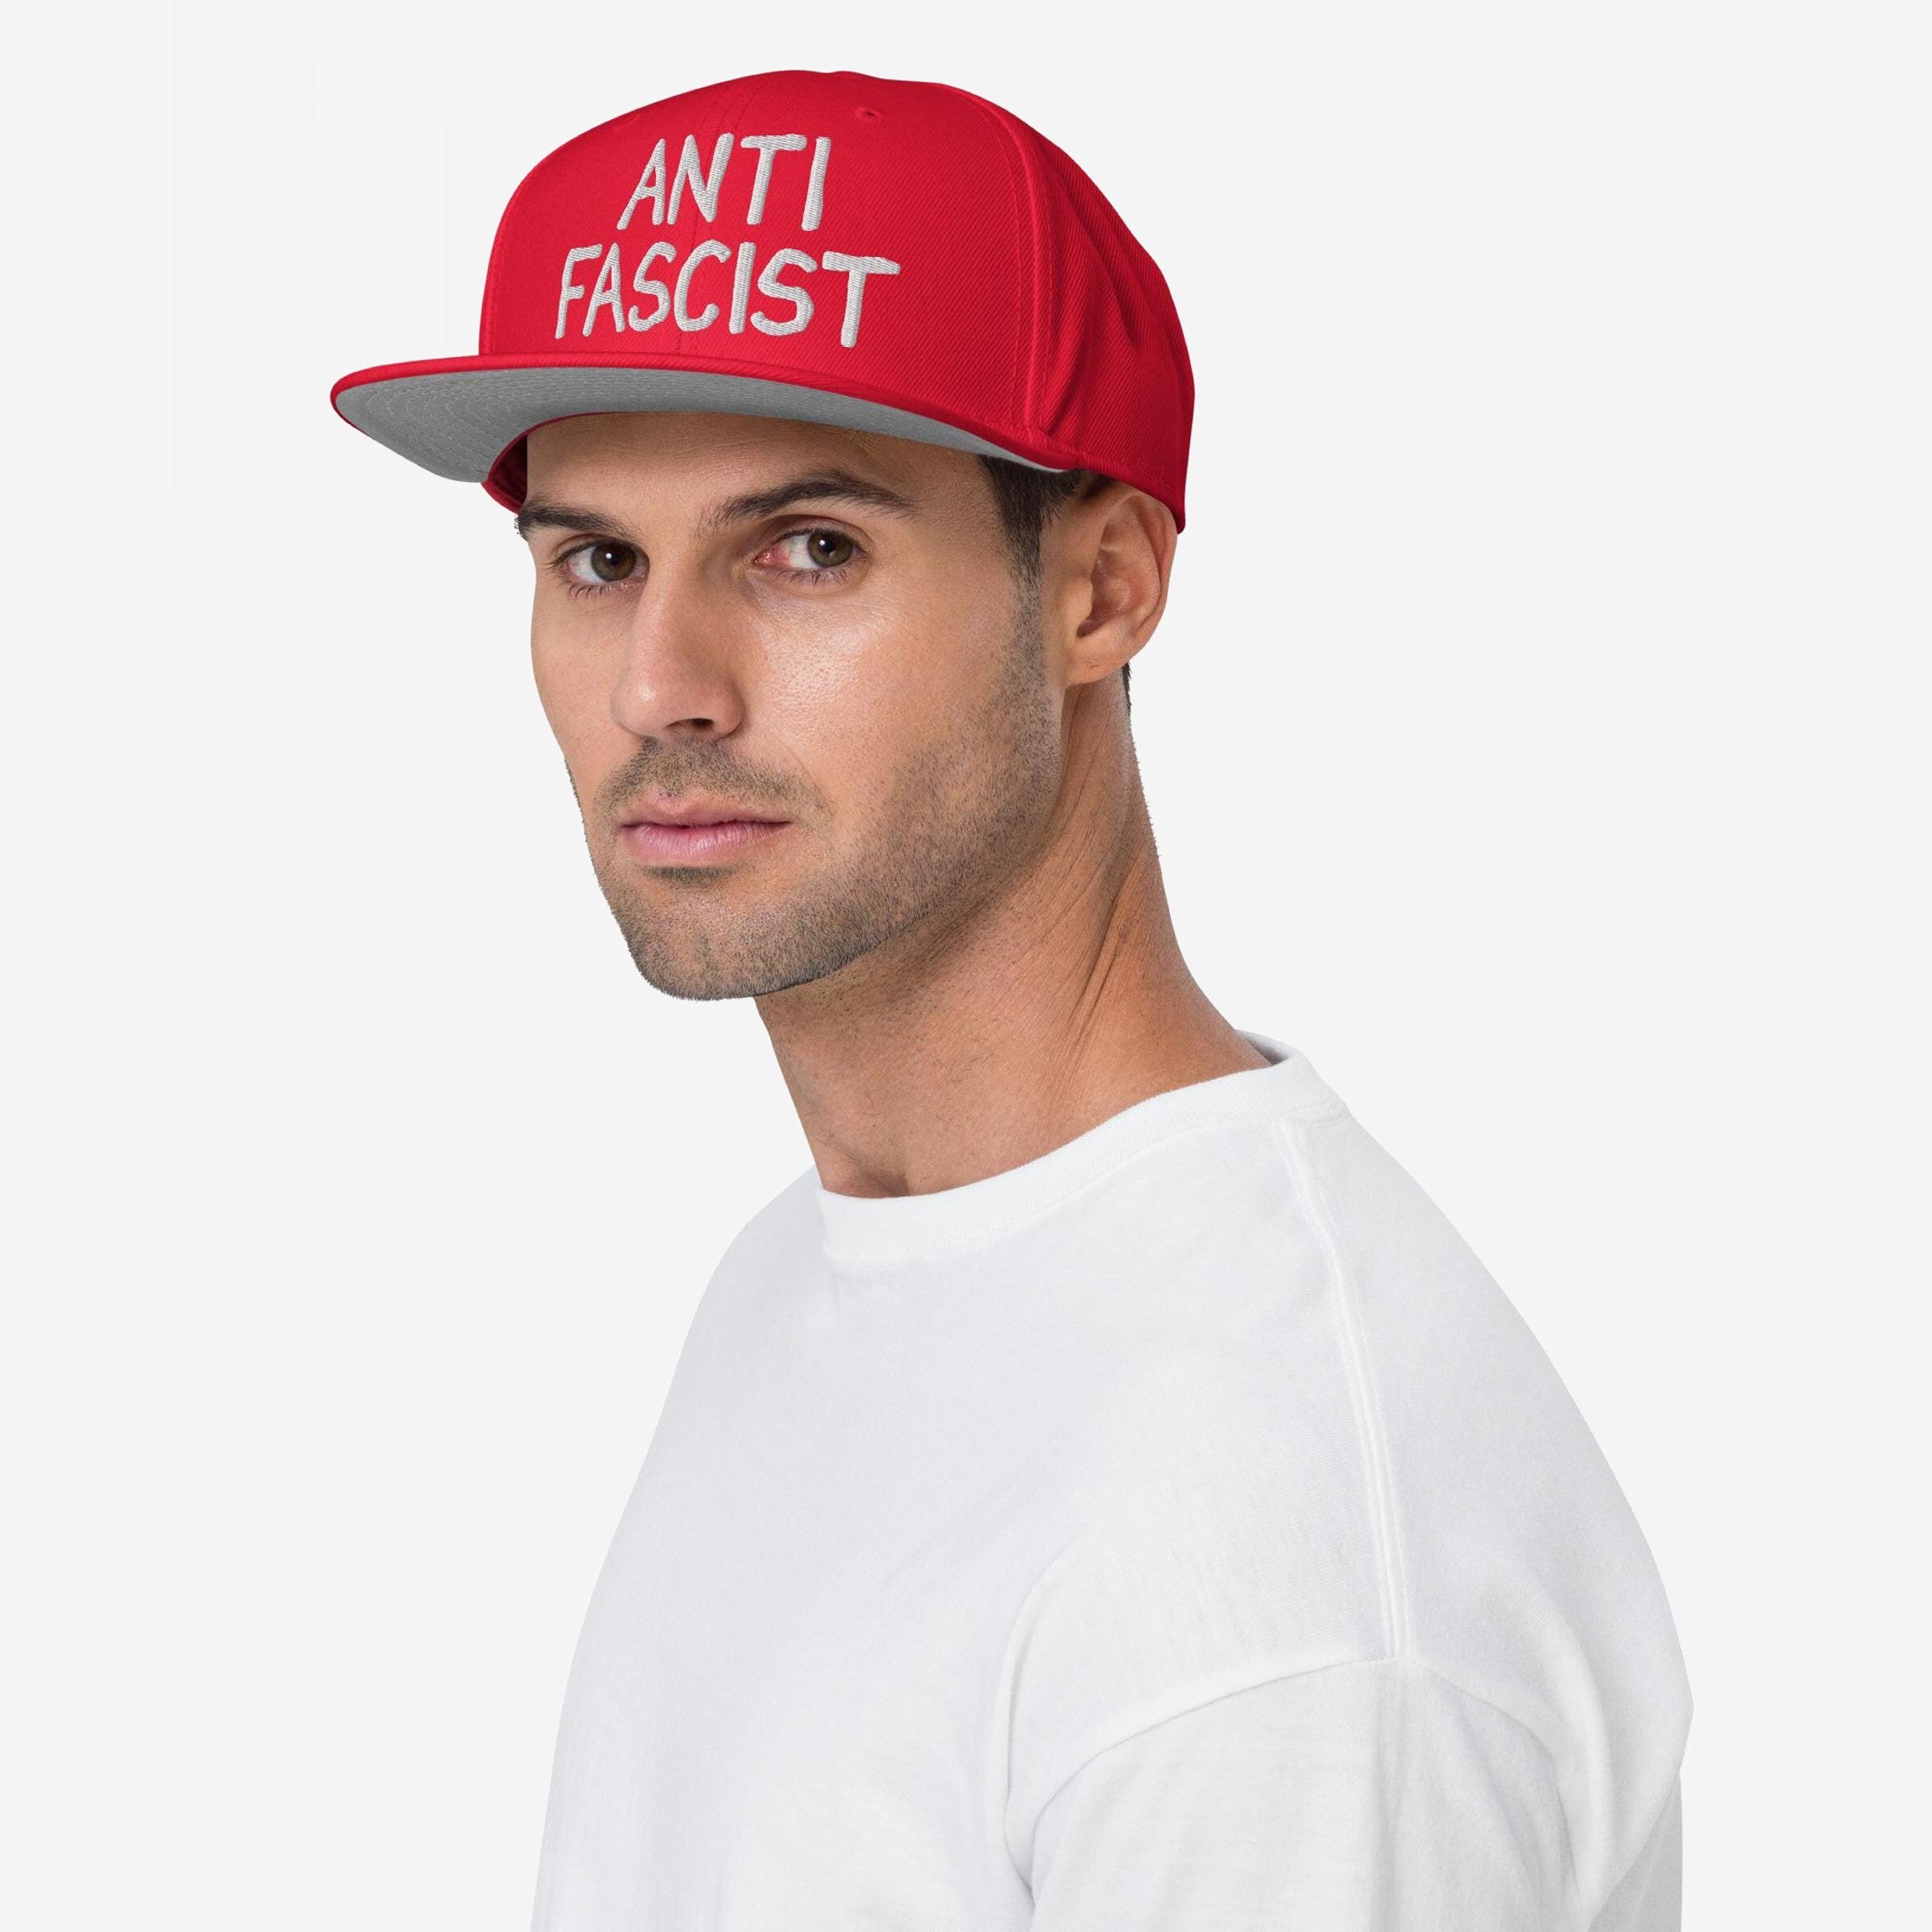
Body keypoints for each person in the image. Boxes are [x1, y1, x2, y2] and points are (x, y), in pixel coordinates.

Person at [331, 66, 1693, 1932]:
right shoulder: (816, 1276)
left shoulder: (1263, 1590)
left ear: (1101, 590)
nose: (662, 684)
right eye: (596, 559)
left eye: (806, 548)